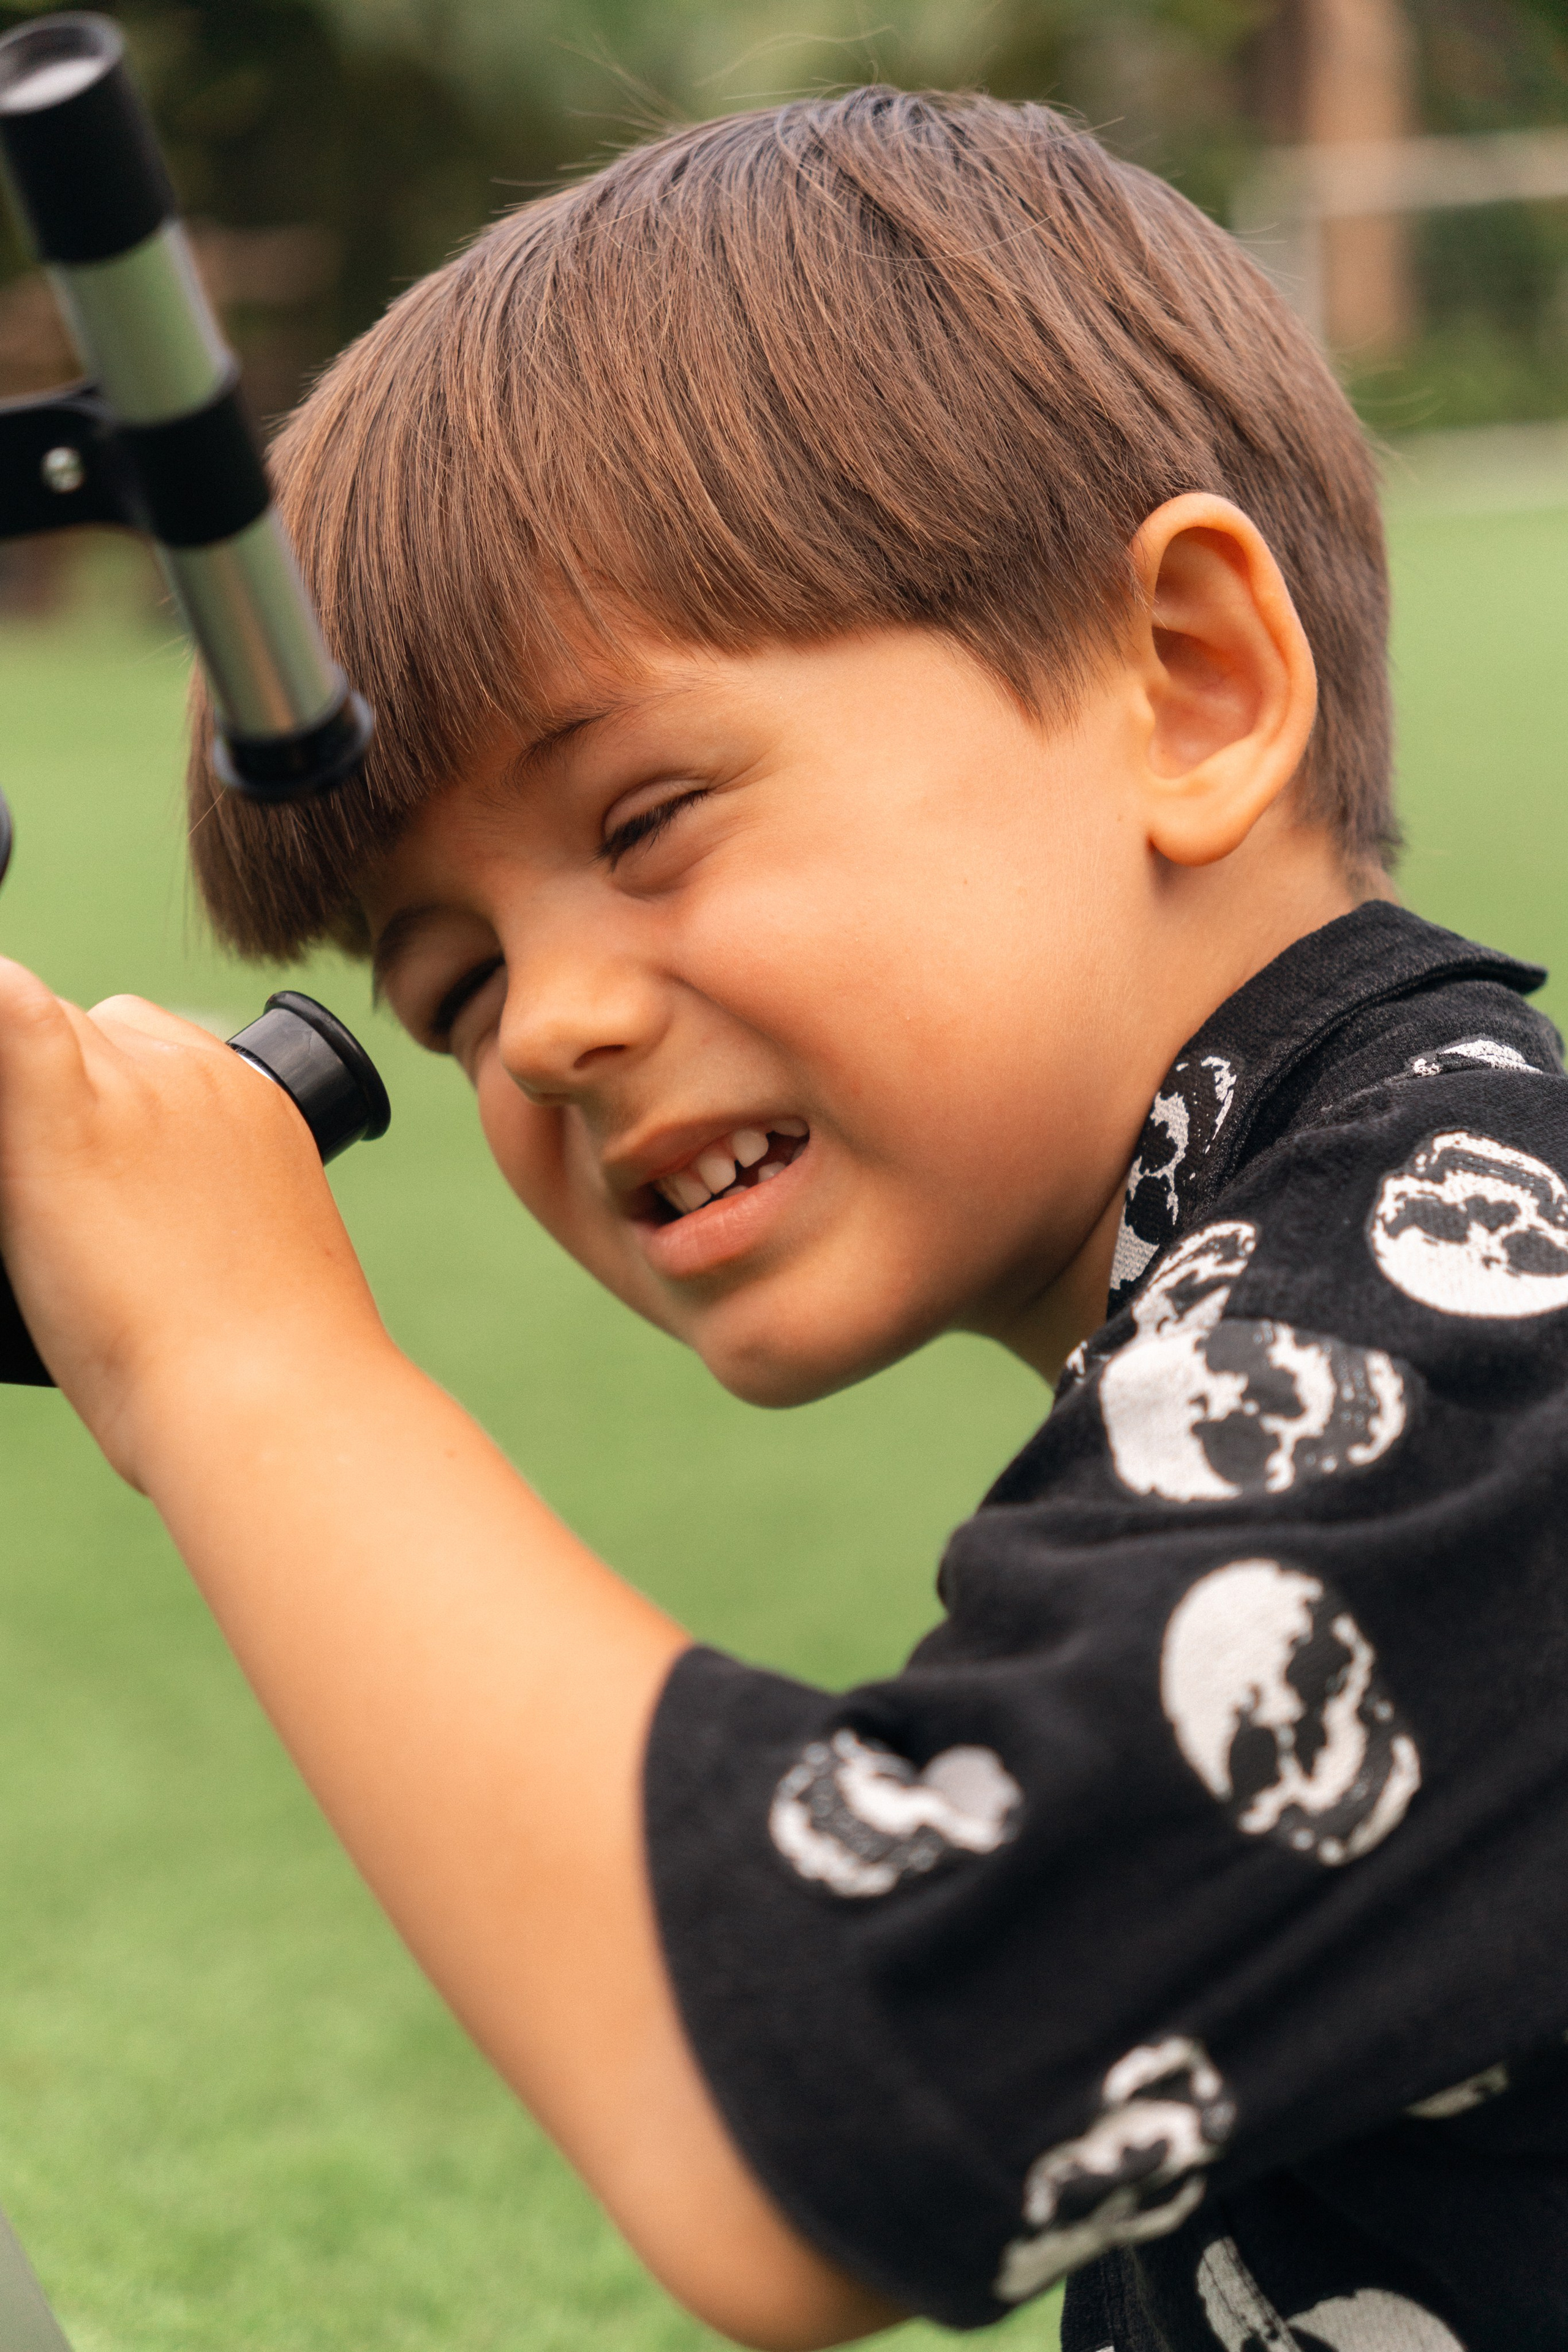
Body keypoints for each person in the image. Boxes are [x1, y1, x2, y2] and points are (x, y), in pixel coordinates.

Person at [0, 85, 1564, 2352]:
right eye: (450, 992)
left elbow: (832, 2094)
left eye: (645, 820)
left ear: (1192, 685)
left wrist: (238, 1355)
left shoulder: (1489, 1309)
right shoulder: (1323, 1264)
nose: (543, 1028)